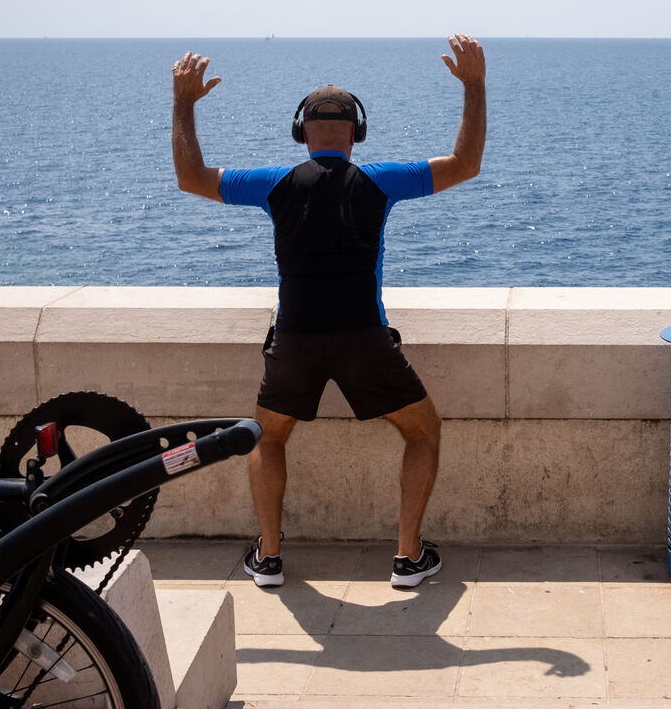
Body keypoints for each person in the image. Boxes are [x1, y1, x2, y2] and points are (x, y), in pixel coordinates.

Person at [169, 35, 486, 589]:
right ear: (356, 133)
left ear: (302, 133)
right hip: (365, 338)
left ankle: (269, 559)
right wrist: (475, 86)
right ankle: (407, 558)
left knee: (268, 437)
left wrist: (183, 103)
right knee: (423, 433)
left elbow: (190, 178)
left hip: (294, 339)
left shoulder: (274, 184)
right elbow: (466, 164)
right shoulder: (380, 180)